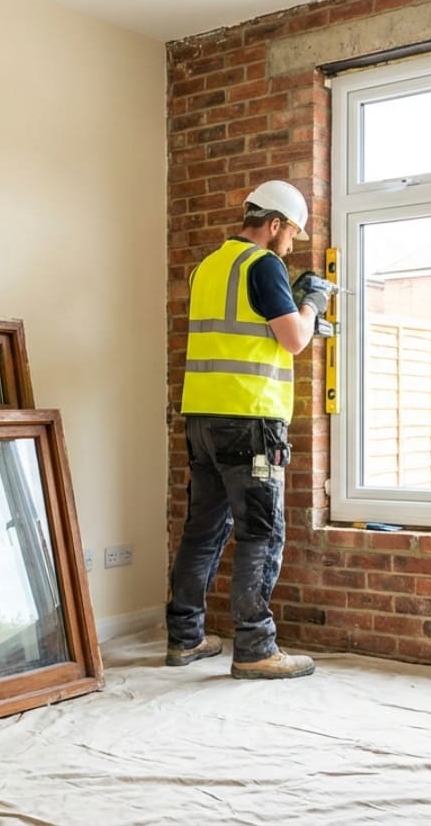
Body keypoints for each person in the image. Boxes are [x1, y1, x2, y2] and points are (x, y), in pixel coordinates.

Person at [166, 179, 332, 679]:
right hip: (251, 422)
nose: (292, 245)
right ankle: (256, 646)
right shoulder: (263, 266)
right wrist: (312, 304)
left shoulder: (208, 267)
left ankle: (185, 638)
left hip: (202, 419)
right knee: (261, 532)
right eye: (292, 234)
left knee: (203, 531)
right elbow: (295, 340)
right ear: (274, 224)